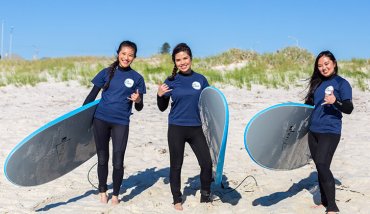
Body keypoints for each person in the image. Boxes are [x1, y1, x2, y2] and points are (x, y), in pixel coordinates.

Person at [83, 40, 146, 205]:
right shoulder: (105, 72)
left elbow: (139, 107)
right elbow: (91, 97)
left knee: (118, 160)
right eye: (123, 54)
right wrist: (81, 119)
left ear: (134, 57)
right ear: (118, 53)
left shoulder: (137, 78)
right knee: (102, 158)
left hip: (121, 122)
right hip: (100, 120)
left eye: (130, 55)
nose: (126, 57)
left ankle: (116, 194)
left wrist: (138, 100)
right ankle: (103, 191)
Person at [157, 43, 213, 210]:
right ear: (175, 62)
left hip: (196, 128)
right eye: (178, 60)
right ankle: (177, 199)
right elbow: (161, 107)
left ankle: (206, 194)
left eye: (185, 58)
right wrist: (160, 95)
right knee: (176, 164)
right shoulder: (171, 81)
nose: (182, 62)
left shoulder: (201, 80)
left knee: (207, 163)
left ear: (191, 58)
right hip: (177, 127)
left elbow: (209, 103)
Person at [304, 50, 353, 213]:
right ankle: (324, 201)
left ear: (334, 63)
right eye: (320, 66)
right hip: (313, 131)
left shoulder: (342, 83)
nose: (323, 68)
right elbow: (309, 105)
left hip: (330, 131)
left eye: (326, 64)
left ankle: (332, 207)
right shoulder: (317, 84)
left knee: (323, 163)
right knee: (320, 166)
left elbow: (348, 108)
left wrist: (335, 101)